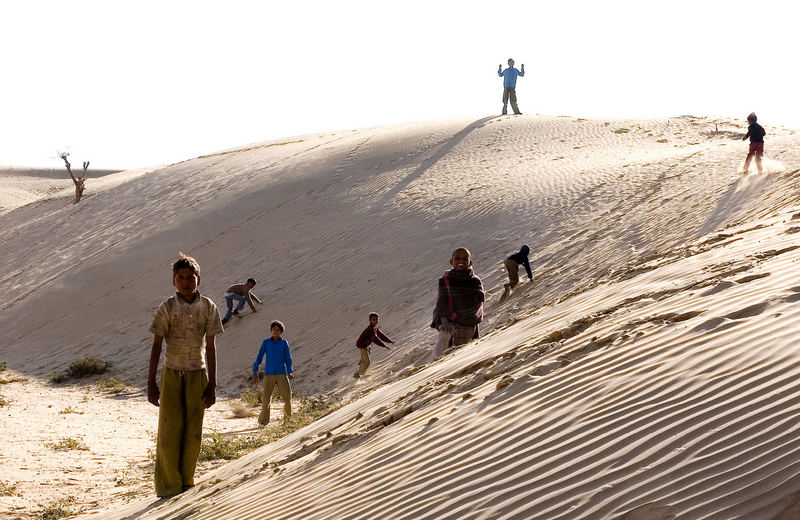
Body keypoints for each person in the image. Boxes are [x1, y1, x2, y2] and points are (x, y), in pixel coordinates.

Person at [147, 252, 223, 498]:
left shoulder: (209, 307)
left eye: (190, 277)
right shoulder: (166, 307)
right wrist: (151, 383)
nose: (186, 282)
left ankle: (186, 484)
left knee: (193, 433)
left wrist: (212, 385)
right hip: (171, 374)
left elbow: (210, 347)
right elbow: (157, 345)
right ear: (174, 281)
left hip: (197, 375)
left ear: (198, 279)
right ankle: (169, 488)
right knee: (169, 432)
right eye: (180, 277)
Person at [431, 247, 485, 358]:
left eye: (465, 259)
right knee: (444, 335)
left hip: (468, 324)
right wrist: (445, 321)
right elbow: (442, 304)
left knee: (459, 352)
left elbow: (476, 305)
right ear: (451, 262)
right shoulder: (445, 280)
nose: (461, 261)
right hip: (451, 321)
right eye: (458, 258)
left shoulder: (474, 281)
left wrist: (462, 317)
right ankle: (436, 362)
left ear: (470, 263)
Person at [251, 320, 293, 425]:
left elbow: (288, 359)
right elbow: (259, 357)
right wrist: (254, 371)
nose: (276, 331)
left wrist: (290, 371)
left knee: (287, 397)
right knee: (266, 399)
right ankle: (263, 422)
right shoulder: (266, 342)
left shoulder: (284, 343)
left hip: (281, 374)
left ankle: (287, 421)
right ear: (271, 330)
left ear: (281, 332)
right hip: (269, 374)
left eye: (278, 330)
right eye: (274, 329)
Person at [354, 312, 394, 379]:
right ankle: (357, 374)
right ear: (370, 320)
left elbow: (381, 335)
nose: (375, 321)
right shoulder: (370, 329)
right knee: (367, 362)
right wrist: (384, 346)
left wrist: (389, 341)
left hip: (367, 345)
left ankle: (361, 361)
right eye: (373, 319)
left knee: (365, 357)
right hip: (362, 345)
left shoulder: (375, 327)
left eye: (376, 319)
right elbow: (376, 339)